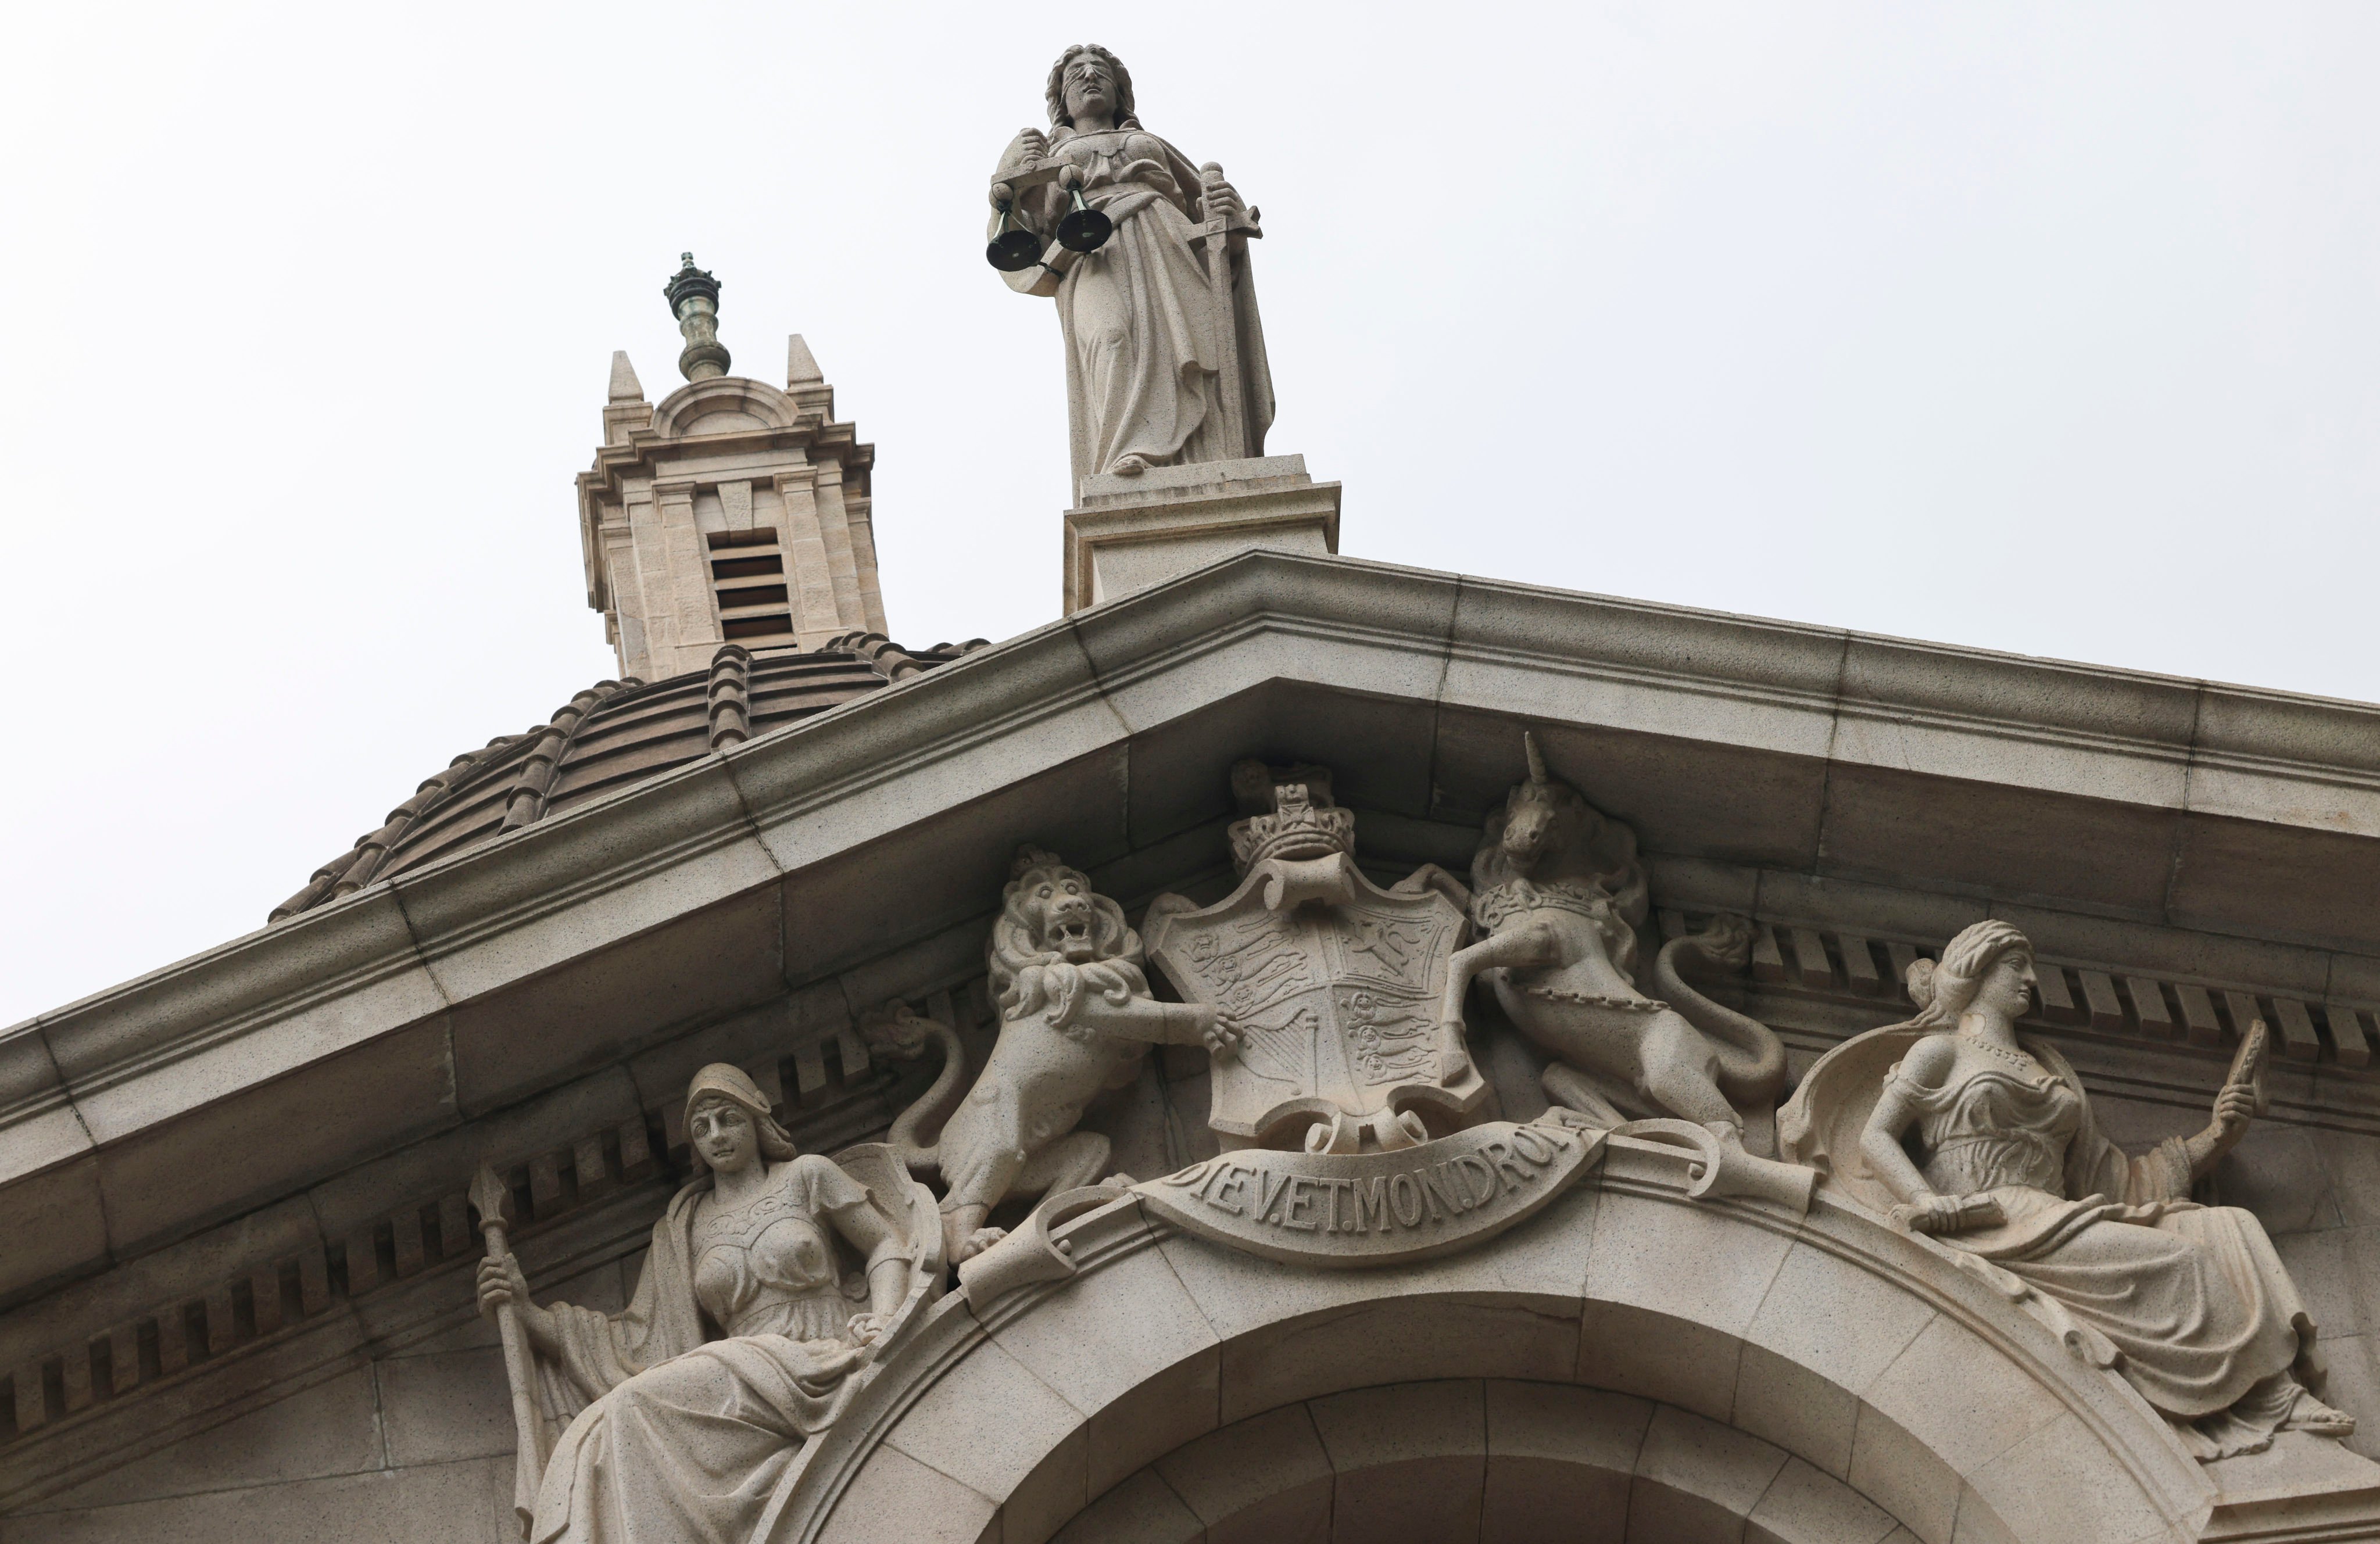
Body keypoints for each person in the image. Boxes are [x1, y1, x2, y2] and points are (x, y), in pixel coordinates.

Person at [1780, 920, 2354, 1459]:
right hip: (1996, 1219)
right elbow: (1876, 1136)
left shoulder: (2044, 1067)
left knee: (2231, 1225)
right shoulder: (1940, 1051)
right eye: (2016, 966)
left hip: (2056, 1210)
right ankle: (2267, 1398)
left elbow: (2118, 1182)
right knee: (2185, 1259)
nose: (2031, 979)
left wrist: (2220, 1135)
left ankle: (2271, 1386)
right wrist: (1928, 1199)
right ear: (1977, 971)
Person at [475, 1065, 932, 1543]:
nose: (716, 1135)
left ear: (757, 1118)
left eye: (727, 1118)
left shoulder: (807, 1175)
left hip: (823, 1352)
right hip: (746, 1369)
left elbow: (885, 1243)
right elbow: (634, 1340)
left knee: (630, 1405)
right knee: (596, 1430)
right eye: (701, 1127)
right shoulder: (686, 1225)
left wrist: (884, 1318)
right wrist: (526, 1312)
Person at [988, 43, 1275, 488]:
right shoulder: (1043, 157)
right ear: (1061, 101)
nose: (1088, 77)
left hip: (1165, 240)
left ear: (1119, 90)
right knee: (1110, 336)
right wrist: (1007, 176)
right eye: (1075, 75)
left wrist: (1227, 219)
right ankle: (1126, 451)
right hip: (1088, 251)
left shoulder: (1151, 144)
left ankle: (1208, 452)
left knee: (1192, 347)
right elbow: (1019, 234)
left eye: (1098, 71)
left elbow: (1218, 233)